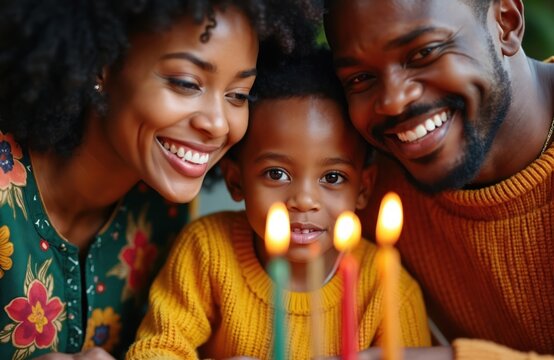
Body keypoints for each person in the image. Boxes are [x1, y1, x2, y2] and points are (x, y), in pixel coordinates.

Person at [0, 0, 321, 358]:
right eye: (186, 83)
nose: (217, 123)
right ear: (101, 65)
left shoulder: (165, 210)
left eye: (238, 95)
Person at [126, 49, 431, 360]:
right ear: (236, 181)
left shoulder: (388, 289)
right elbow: (156, 350)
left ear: (363, 188)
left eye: (334, 177)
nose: (304, 200)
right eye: (277, 173)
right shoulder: (207, 251)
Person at [324, 0, 554, 358]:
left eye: (423, 53)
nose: (393, 101)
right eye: (360, 78)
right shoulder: (365, 181)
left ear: (506, 23)